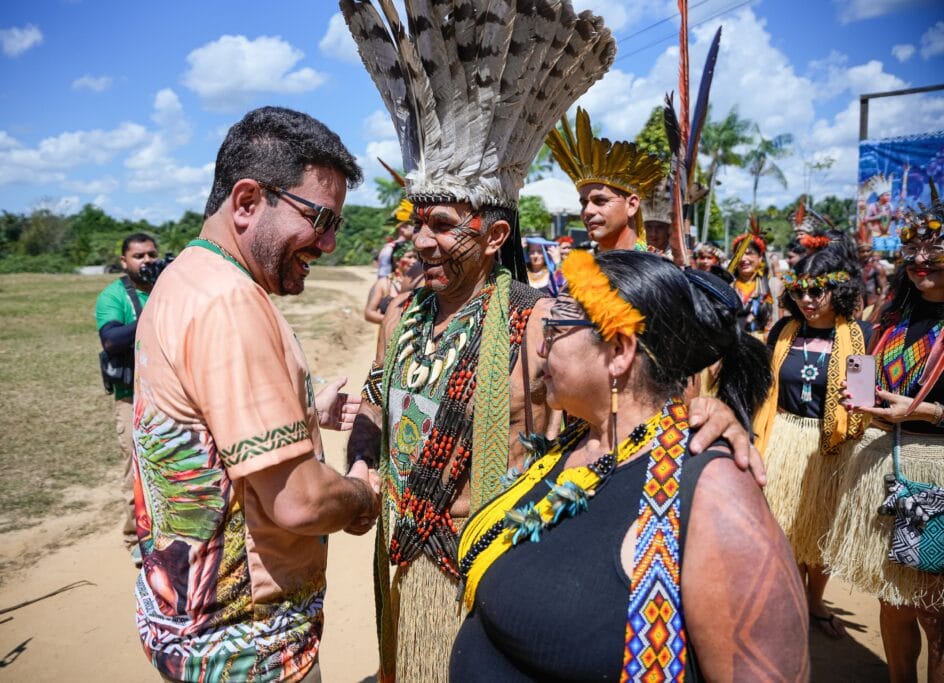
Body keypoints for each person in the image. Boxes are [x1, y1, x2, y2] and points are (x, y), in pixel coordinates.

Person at [340, 3, 761, 680]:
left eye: (444, 225)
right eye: (418, 223)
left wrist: (700, 415)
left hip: (484, 568)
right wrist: (362, 463)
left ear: (496, 236)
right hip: (399, 565)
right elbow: (373, 397)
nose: (422, 241)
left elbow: (623, 405)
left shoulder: (539, 324)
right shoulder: (402, 314)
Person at [451, 250, 808, 681]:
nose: (540, 346)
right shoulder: (573, 444)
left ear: (619, 351)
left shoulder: (713, 489)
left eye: (555, 328)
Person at [130, 106, 379, 683]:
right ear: (246, 202)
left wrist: (299, 413)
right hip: (247, 646)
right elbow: (301, 503)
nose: (332, 243)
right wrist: (364, 496)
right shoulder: (230, 301)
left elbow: (194, 429)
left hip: (191, 624)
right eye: (321, 218)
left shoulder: (187, 277)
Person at [826, 192, 944, 683]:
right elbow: (862, 373)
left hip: (936, 470)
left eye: (933, 252)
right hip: (884, 467)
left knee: (935, 612)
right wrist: (857, 400)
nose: (919, 263)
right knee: (893, 600)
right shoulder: (888, 313)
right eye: (911, 253)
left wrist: (930, 411)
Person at [753, 249, 871, 639]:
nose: (807, 300)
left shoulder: (857, 335)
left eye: (818, 291)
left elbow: (861, 401)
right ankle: (784, 600)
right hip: (782, 437)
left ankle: (814, 601)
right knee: (781, 528)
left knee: (818, 530)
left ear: (837, 290)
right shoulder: (783, 331)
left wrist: (854, 395)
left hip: (828, 446)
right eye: (801, 291)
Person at [95, 232, 159, 565]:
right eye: (139, 256)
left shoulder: (169, 287)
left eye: (151, 254)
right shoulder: (114, 296)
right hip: (131, 398)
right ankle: (135, 537)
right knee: (135, 468)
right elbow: (111, 340)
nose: (147, 261)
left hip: (171, 395)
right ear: (124, 261)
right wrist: (157, 312)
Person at [545, 107, 665, 253]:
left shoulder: (658, 272)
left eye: (600, 201)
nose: (587, 211)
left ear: (632, 205)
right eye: (583, 203)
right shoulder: (578, 271)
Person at [728, 222, 773, 335]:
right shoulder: (726, 285)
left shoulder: (771, 285)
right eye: (739, 254)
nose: (743, 259)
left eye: (749, 253)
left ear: (760, 258)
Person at [365, 241, 418, 325]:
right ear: (397, 260)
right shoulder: (385, 283)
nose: (414, 261)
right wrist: (397, 322)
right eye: (410, 257)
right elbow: (369, 314)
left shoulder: (420, 282)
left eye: (415, 257)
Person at [858, 241, 888, 317]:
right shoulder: (855, 267)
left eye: (868, 251)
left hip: (872, 305)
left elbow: (884, 289)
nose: (865, 254)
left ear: (872, 251)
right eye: (862, 251)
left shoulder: (877, 267)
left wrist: (877, 308)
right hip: (858, 306)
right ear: (858, 252)